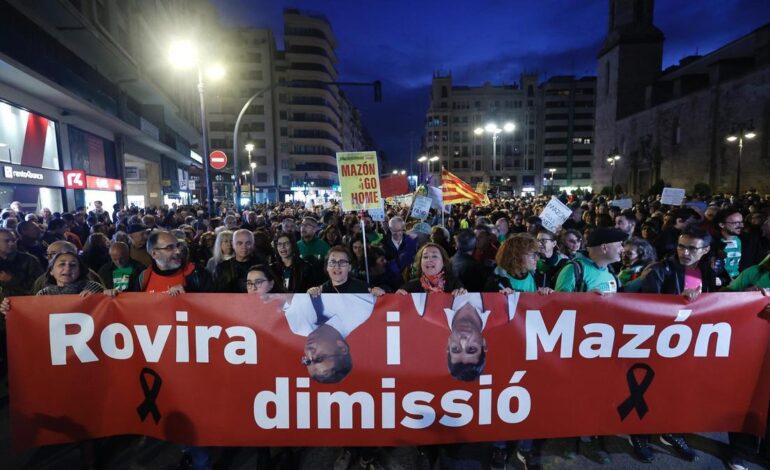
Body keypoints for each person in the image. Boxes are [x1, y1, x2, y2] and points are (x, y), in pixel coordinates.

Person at [555, 227, 627, 464]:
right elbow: (555, 307)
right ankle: (570, 438)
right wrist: (583, 302)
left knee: (598, 396)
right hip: (576, 348)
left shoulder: (611, 273)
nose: (623, 250)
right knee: (573, 396)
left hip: (603, 349)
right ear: (605, 247)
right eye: (619, 245)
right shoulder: (573, 269)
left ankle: (593, 438)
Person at [281, 292, 376, 384]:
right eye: (320, 358)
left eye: (308, 361)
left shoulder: (298, 326)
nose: (309, 353)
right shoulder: (361, 307)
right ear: (342, 347)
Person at [133, 231, 212, 294]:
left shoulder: (198, 273)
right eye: (169, 247)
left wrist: (188, 293)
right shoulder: (143, 278)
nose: (178, 251)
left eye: (177, 246)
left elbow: (212, 306)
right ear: (154, 254)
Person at [307, 246, 383, 295]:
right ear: (327, 267)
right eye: (333, 262)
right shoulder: (319, 291)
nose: (337, 266)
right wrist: (310, 296)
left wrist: (379, 294)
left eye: (342, 262)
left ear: (349, 267)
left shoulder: (364, 289)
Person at [399, 243, 466, 294]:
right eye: (425, 257)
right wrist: (397, 298)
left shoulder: (455, 285)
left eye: (434, 256)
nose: (429, 260)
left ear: (443, 262)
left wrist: (462, 296)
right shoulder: (409, 288)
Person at [0, 228, 44, 296]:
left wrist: (12, 280)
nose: (12, 243)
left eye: (14, 240)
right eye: (7, 241)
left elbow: (39, 286)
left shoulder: (29, 260)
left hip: (23, 302)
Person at [382, 216, 417, 280]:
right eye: (394, 231)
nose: (397, 233)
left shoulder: (411, 242)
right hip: (391, 279)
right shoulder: (384, 243)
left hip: (408, 279)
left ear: (403, 228)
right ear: (390, 229)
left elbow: (413, 260)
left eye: (399, 230)